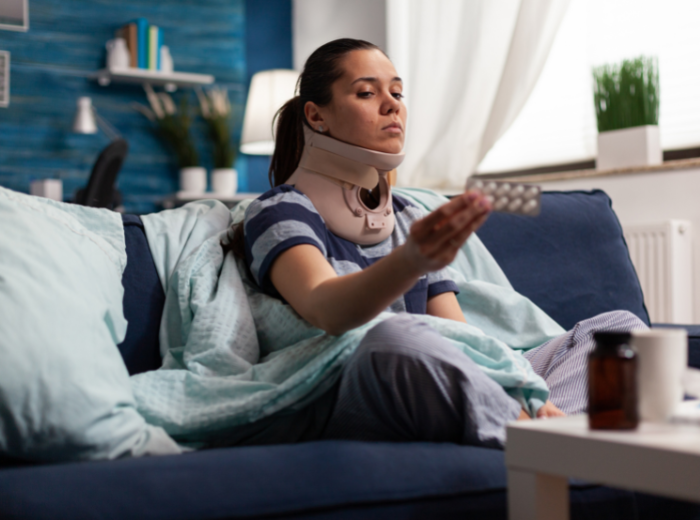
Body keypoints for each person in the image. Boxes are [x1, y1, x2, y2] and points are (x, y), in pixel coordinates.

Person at [224, 38, 646, 448]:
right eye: (367, 92)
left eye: (398, 92)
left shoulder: (408, 216)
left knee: (618, 329)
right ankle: (540, 433)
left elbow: (459, 336)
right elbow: (325, 308)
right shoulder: (280, 210)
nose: (392, 105)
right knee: (397, 339)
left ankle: (553, 431)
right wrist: (411, 259)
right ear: (317, 117)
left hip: (433, 368)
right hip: (347, 377)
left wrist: (512, 382)